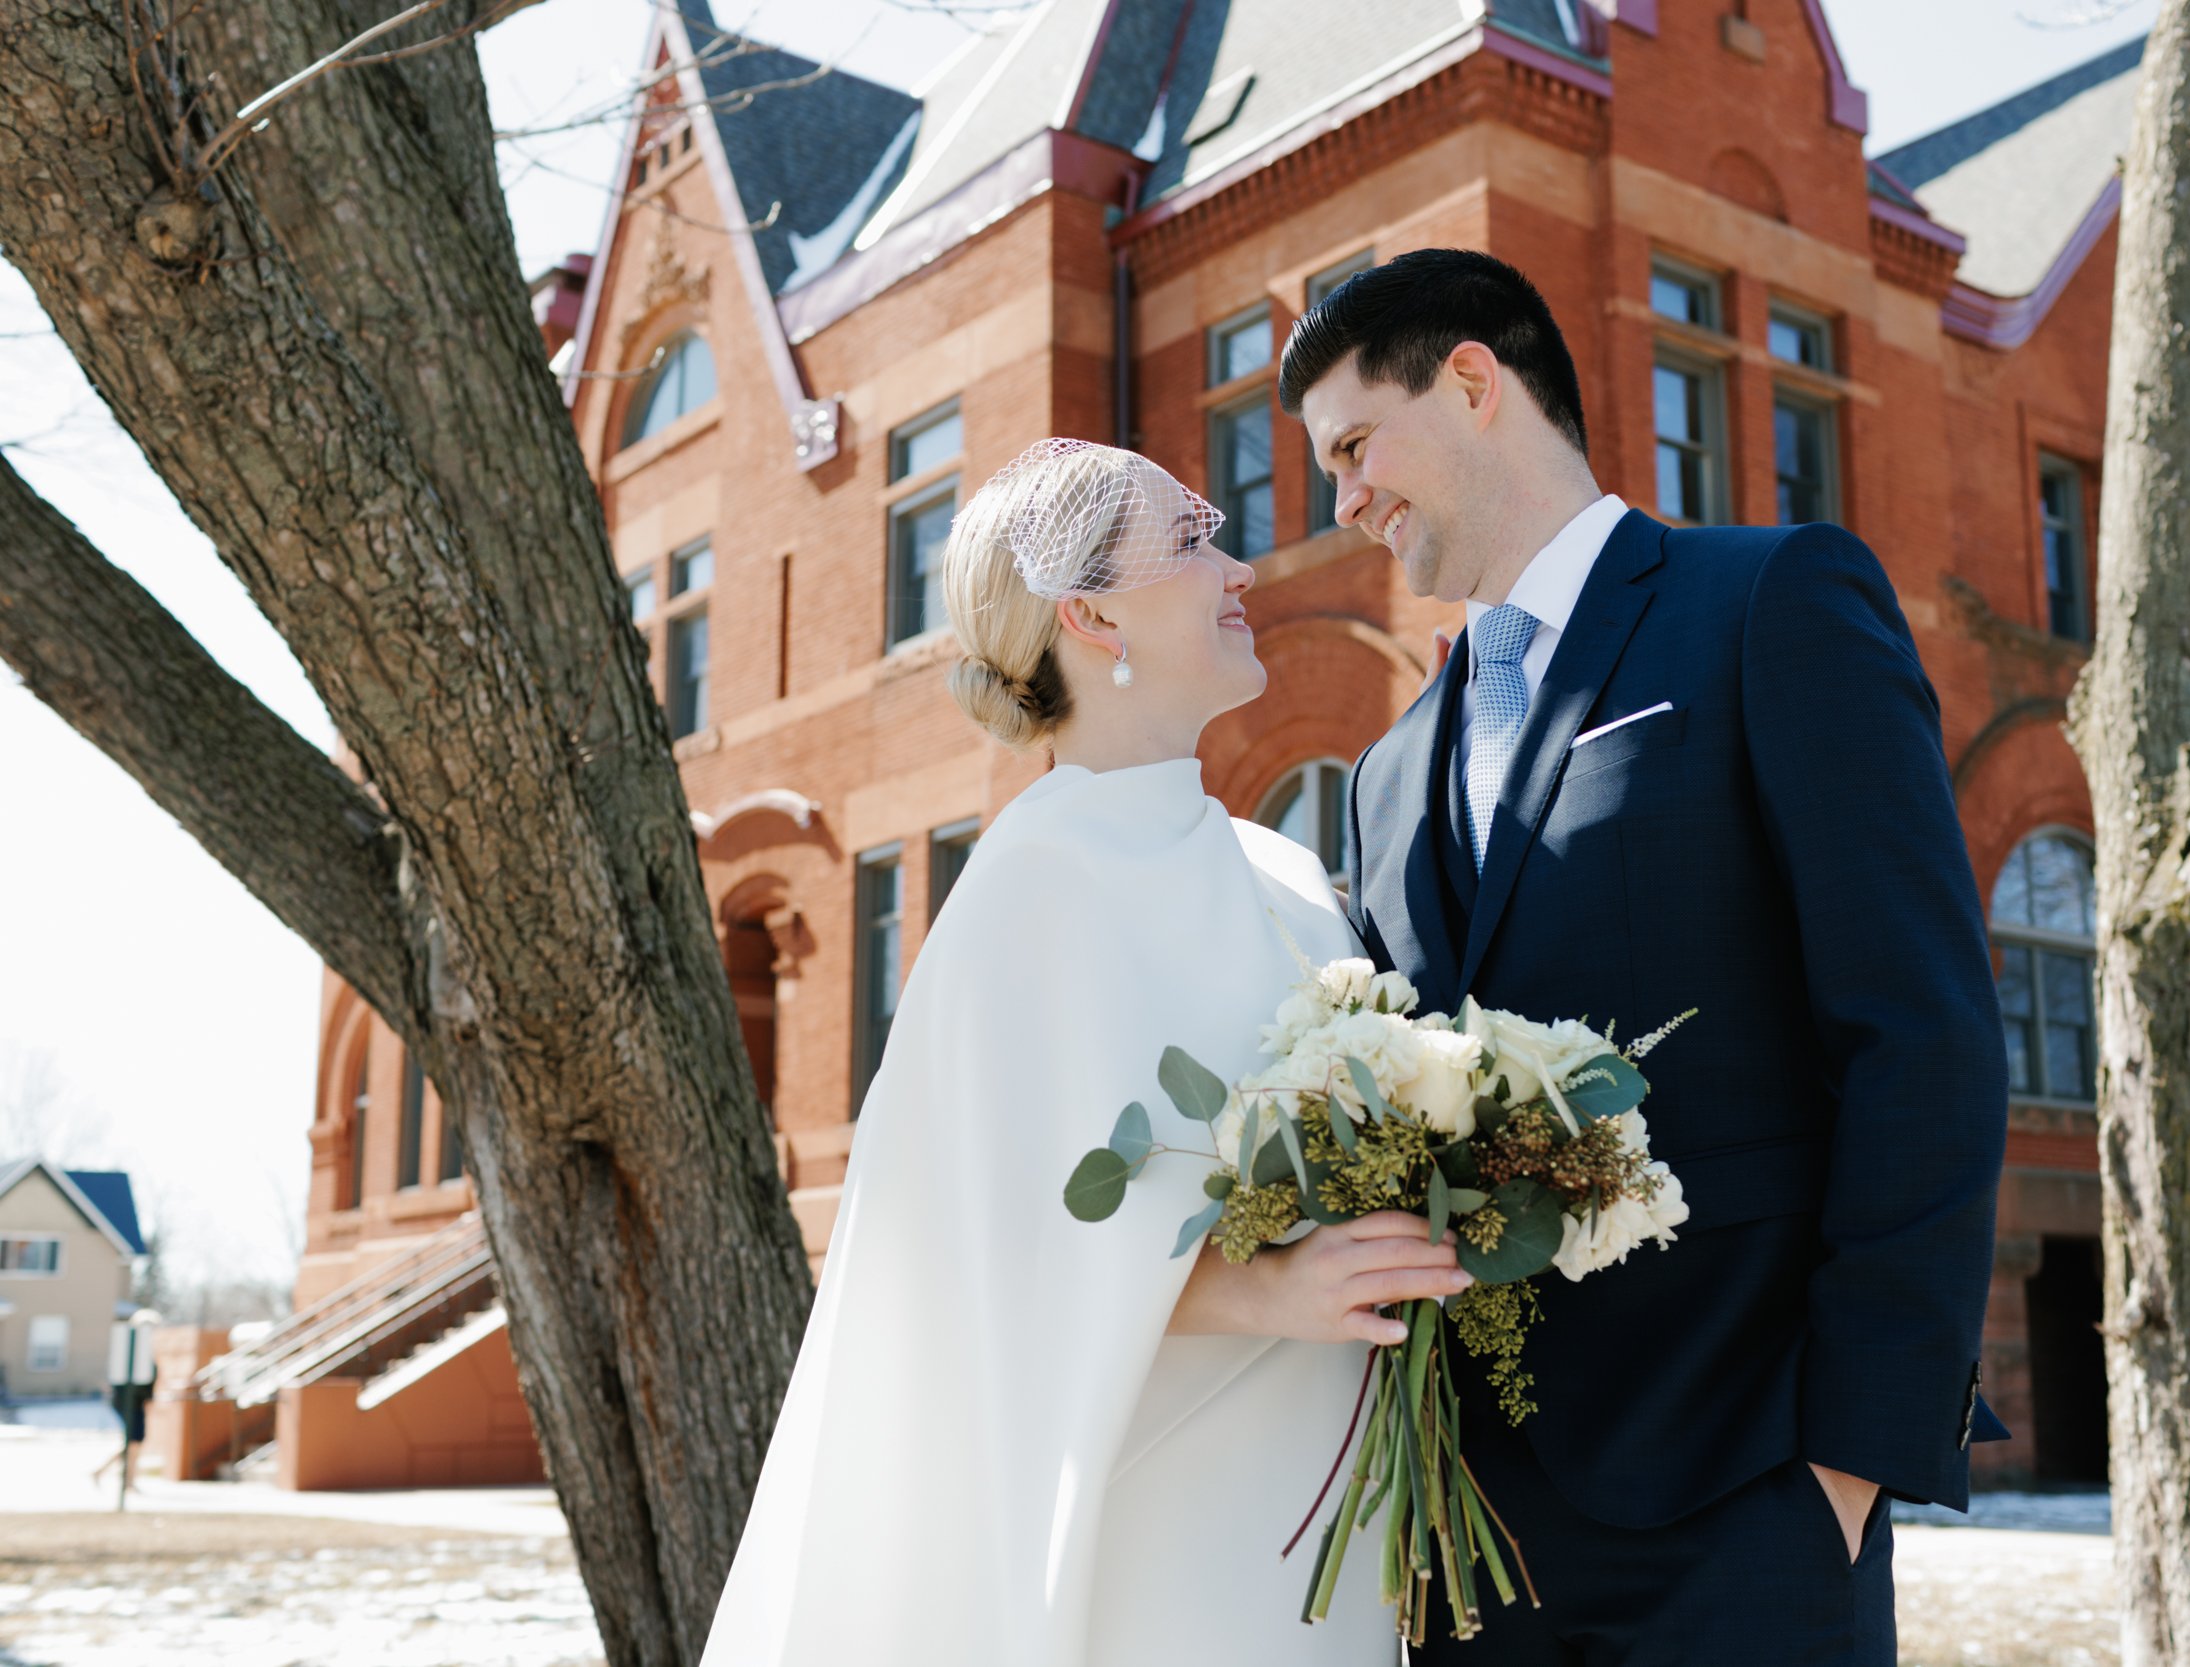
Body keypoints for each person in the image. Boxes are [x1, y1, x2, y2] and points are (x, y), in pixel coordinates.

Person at [1284, 249, 2012, 1665]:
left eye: (1356, 445)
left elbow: (1921, 1032)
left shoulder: (1770, 602)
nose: (1344, 499)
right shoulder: (1381, 775)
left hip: (1748, 1503)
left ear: (1476, 383)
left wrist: (1854, 1460)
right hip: (1466, 1538)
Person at [696, 439, 1458, 1667]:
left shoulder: (1279, 869)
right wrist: (1265, 1287)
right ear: (1089, 611)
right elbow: (972, 1254)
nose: (1241, 563)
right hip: (1165, 1523)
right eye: (1192, 539)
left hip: (1330, 1506)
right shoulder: (1030, 887)